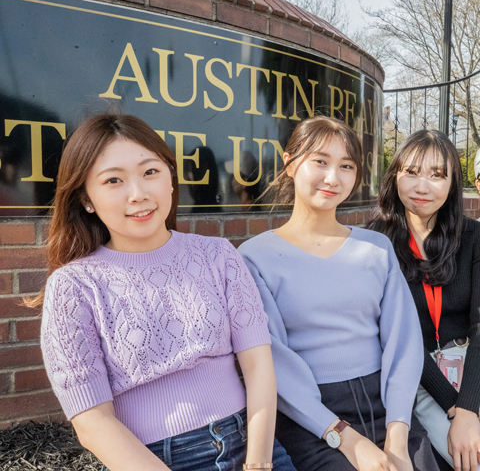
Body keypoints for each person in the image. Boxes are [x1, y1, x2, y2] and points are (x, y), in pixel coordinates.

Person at [32, 114, 296, 471]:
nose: (138, 193)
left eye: (150, 172)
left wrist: (260, 462)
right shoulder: (75, 286)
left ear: (171, 178)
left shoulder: (217, 255)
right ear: (86, 199)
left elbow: (259, 365)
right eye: (113, 180)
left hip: (254, 445)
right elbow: (92, 423)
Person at [238, 115, 439, 471]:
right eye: (320, 161)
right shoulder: (254, 258)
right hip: (310, 416)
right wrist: (345, 439)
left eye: (346, 165)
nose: (333, 178)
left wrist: (397, 433)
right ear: (289, 164)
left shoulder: (375, 247)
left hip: (388, 406)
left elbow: (403, 343)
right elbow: (273, 365)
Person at [368, 130, 480, 471]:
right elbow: (394, 337)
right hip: (416, 376)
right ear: (395, 175)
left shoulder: (474, 236)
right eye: (411, 172)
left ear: (452, 184)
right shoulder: (373, 242)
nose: (422, 186)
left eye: (437, 175)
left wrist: (469, 407)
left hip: (472, 368)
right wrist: (453, 408)